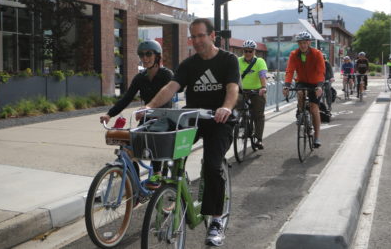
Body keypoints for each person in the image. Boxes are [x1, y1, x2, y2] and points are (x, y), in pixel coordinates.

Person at [139, 18, 240, 247]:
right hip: (193, 118)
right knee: (169, 150)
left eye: (201, 36)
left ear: (212, 36)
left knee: (212, 165)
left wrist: (226, 108)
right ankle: (175, 188)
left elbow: (232, 88)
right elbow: (170, 88)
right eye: (193, 37)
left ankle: (215, 220)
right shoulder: (189, 64)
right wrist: (150, 107)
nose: (196, 41)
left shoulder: (228, 60)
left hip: (219, 120)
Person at [100, 39, 173, 189]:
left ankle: (157, 173)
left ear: (157, 56)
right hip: (146, 119)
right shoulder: (140, 78)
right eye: (141, 54)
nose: (144, 58)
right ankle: (135, 186)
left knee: (154, 140)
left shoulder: (166, 75)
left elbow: (168, 95)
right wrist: (109, 114)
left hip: (164, 119)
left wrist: (148, 107)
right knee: (128, 150)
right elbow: (126, 98)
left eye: (148, 54)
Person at [282, 31, 325, 148]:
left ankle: (317, 137)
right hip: (301, 81)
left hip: (316, 83)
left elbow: (321, 71)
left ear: (309, 42)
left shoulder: (317, 54)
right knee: (300, 92)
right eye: (300, 43)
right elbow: (290, 71)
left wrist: (320, 86)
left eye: (305, 43)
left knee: (314, 108)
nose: (303, 45)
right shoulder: (294, 54)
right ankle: (300, 111)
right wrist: (286, 85)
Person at [238, 40, 268, 149]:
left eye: (250, 51)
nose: (248, 53)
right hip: (242, 91)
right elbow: (232, 75)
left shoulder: (260, 61)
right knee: (235, 103)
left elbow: (262, 76)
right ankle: (240, 122)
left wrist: (263, 87)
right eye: (246, 51)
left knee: (258, 115)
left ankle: (259, 139)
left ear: (254, 51)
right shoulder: (238, 61)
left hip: (257, 91)